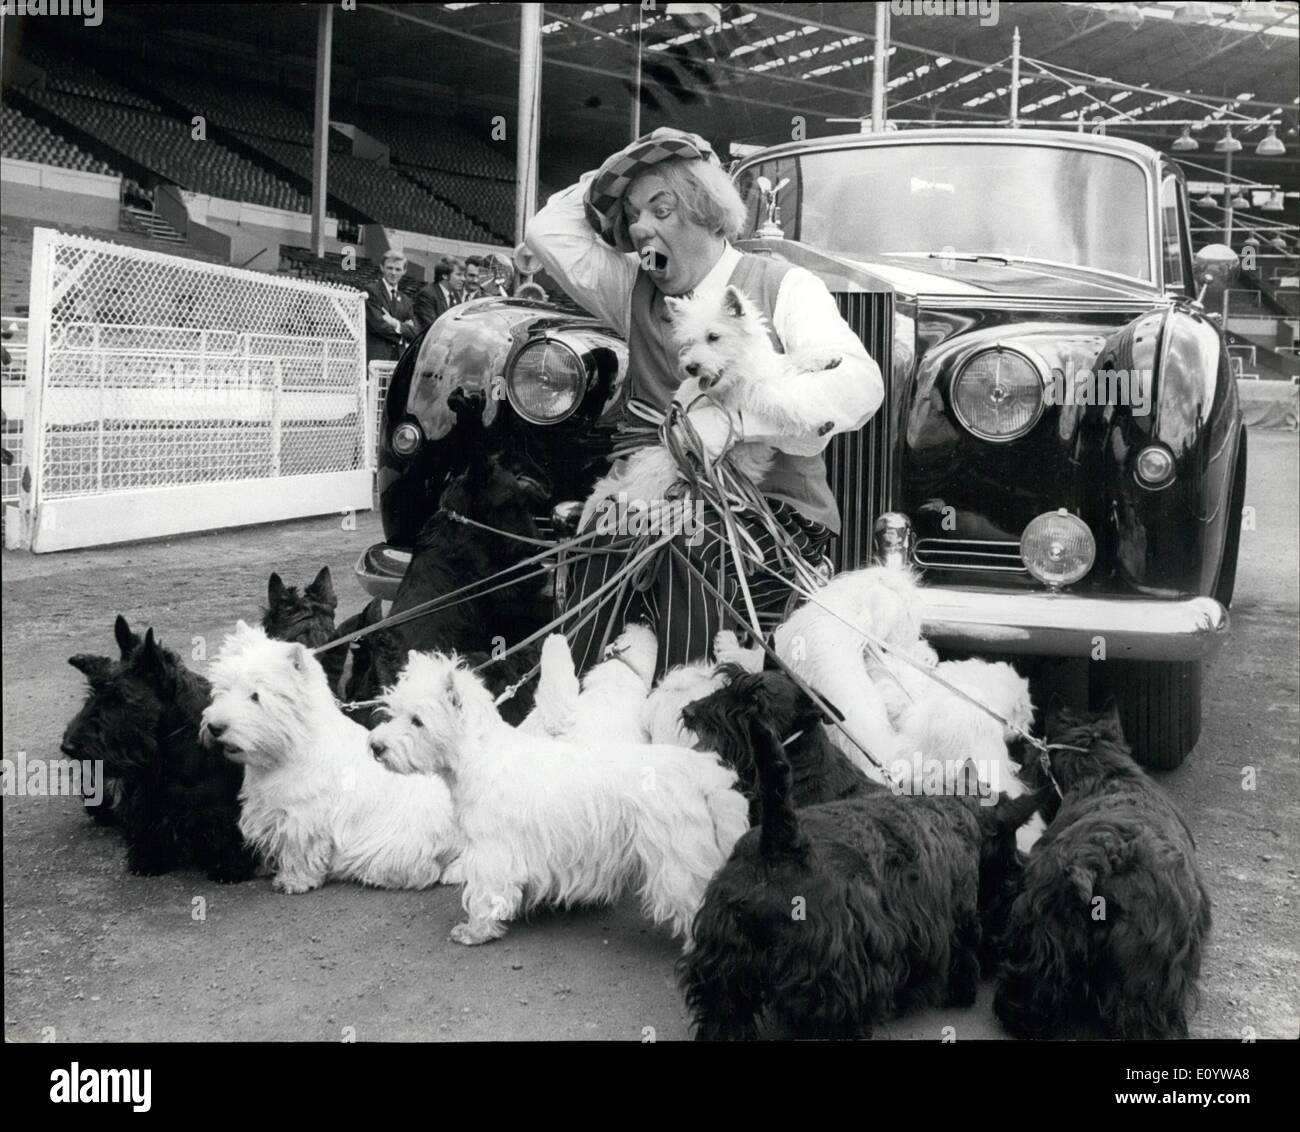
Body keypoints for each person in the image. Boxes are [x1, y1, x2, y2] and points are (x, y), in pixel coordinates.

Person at [526, 127, 883, 679]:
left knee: (693, 553)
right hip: (648, 498)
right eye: (632, 215)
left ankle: (691, 725)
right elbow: (546, 230)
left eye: (660, 208)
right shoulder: (631, 287)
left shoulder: (784, 285)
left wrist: (737, 421)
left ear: (705, 207)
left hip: (772, 511)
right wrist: (618, 172)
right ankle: (579, 718)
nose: (641, 227)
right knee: (598, 539)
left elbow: (861, 385)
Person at [364, 251, 416, 363]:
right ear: (382, 268)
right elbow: (377, 325)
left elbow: (414, 332)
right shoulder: (372, 291)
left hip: (399, 358)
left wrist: (395, 323)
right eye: (390, 268)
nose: (393, 273)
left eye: (398, 269)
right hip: (377, 357)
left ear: (404, 271)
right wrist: (403, 331)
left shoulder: (406, 300)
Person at [412, 258, 459, 334]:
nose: (463, 279)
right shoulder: (427, 295)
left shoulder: (456, 296)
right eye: (458, 275)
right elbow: (432, 327)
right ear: (445, 276)